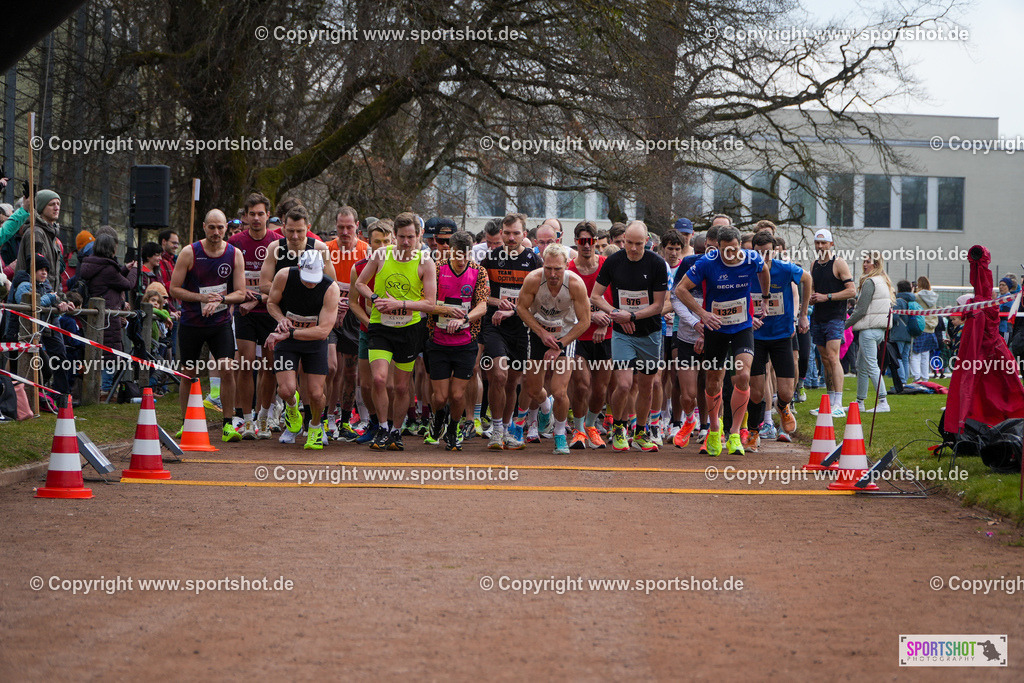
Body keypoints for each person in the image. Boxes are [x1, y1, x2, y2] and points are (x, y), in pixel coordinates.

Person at [675, 226, 770, 456]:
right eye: (725, 250)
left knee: (743, 375)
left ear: (740, 246)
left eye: (734, 249)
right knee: (713, 382)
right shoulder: (707, 262)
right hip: (715, 327)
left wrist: (765, 298)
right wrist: (703, 313)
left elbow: (764, 270)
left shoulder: (751, 258)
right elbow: (680, 290)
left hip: (742, 326)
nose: (730, 254)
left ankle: (735, 433)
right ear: (717, 247)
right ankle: (715, 429)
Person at [354, 212, 437, 451]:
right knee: (379, 379)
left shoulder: (425, 262)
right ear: (394, 236)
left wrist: (399, 304)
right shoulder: (381, 255)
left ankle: (396, 431)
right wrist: (374, 298)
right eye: (401, 237)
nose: (406, 242)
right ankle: (382, 426)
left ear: (419, 235)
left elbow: (430, 303)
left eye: (411, 237)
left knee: (401, 387)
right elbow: (360, 283)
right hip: (380, 326)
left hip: (409, 329)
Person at [169, 209, 247, 441]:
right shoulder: (189, 252)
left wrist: (220, 299)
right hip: (192, 322)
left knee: (227, 368)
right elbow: (174, 289)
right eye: (211, 227)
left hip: (220, 323)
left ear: (226, 228)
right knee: (188, 373)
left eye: (220, 227)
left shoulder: (234, 254)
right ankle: (186, 423)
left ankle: (228, 423)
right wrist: (202, 298)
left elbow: (241, 293)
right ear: (204, 227)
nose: (216, 232)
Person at [591, 221, 669, 452]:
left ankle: (641, 433)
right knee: (624, 385)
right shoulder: (614, 261)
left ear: (647, 241)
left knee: (647, 386)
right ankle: (618, 428)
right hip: (622, 333)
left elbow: (658, 305)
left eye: (638, 244)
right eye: (629, 243)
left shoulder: (656, 263)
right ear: (623, 239)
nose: (633, 248)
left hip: (650, 333)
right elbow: (595, 296)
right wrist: (616, 313)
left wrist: (632, 316)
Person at [517, 243, 591, 455]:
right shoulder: (533, 279)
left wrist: (560, 344)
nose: (552, 274)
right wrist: (541, 333)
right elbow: (521, 308)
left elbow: (585, 321)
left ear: (566, 266)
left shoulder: (575, 284)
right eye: (548, 268)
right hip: (539, 332)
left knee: (559, 391)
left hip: (565, 336)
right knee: (532, 388)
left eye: (557, 269)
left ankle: (559, 434)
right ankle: (545, 406)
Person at [265, 250, 340, 449]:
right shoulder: (283, 276)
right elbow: (271, 303)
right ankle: (291, 408)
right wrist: (281, 319)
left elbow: (323, 331)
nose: (311, 284)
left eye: (315, 279)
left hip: (313, 341)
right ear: (299, 268)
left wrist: (290, 333)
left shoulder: (331, 288)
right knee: (286, 389)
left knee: (316, 393)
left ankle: (315, 426)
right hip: (286, 338)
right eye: (307, 278)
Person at [479, 213, 542, 450]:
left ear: (524, 234)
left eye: (516, 233)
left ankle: (506, 429)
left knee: (512, 381)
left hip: (521, 327)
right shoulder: (490, 259)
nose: (511, 238)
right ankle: (496, 430)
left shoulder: (534, 261)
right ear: (501, 234)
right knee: (498, 374)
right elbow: (480, 295)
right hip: (494, 324)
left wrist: (514, 310)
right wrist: (497, 303)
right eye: (507, 233)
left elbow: (539, 299)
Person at [424, 230, 489, 451]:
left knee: (458, 394)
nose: (461, 261)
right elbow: (425, 302)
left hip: (465, 342)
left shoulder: (478, 271)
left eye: (466, 255)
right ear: (449, 251)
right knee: (441, 397)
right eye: (457, 255)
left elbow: (482, 305)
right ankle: (438, 416)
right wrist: (446, 311)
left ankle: (453, 429)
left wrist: (464, 319)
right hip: (438, 341)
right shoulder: (436, 269)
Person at [746, 230, 811, 449]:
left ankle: (782, 406)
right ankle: (753, 432)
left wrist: (803, 315)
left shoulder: (785, 269)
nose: (763, 257)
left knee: (786, 391)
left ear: (774, 251)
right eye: (759, 253)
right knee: (756, 392)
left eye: (767, 253)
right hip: (755, 337)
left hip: (782, 335)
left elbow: (808, 279)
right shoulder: (747, 269)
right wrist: (747, 319)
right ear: (752, 251)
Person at [228, 192, 283, 440]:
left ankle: (264, 415)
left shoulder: (278, 243)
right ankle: (247, 420)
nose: (257, 218)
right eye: (252, 214)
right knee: (246, 364)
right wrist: (240, 298)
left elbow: (281, 285)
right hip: (244, 312)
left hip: (270, 311)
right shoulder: (235, 242)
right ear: (245, 217)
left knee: (269, 367)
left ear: (268, 215)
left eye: (261, 214)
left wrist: (258, 299)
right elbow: (229, 279)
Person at [566, 221, 613, 449]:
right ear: (576, 242)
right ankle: (578, 430)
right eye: (582, 241)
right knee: (582, 385)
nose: (587, 245)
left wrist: (606, 321)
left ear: (596, 242)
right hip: (579, 335)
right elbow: (564, 304)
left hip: (606, 334)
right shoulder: (568, 270)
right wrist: (591, 317)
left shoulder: (607, 265)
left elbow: (618, 299)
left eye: (591, 241)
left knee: (600, 389)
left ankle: (591, 426)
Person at [325, 207, 369, 440]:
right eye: (340, 227)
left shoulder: (366, 250)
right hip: (329, 312)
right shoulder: (326, 249)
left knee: (351, 372)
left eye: (349, 227)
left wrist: (353, 306)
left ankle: (344, 421)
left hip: (354, 314)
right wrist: (334, 304)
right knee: (331, 367)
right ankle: (326, 418)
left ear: (357, 226)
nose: (344, 232)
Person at [349, 220, 394, 445]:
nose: (383, 246)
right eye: (377, 242)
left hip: (395, 331)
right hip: (369, 330)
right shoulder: (359, 268)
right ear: (368, 241)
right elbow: (353, 302)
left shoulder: (403, 266)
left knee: (390, 384)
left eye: (387, 241)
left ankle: (392, 426)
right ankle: (375, 423)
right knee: (366, 384)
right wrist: (369, 322)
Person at [78, 233, 134, 398]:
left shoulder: (92, 264)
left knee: (100, 353)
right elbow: (127, 284)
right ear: (111, 249)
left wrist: (125, 269)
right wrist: (135, 270)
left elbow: (110, 279)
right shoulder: (109, 268)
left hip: (97, 315)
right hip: (108, 317)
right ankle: (104, 390)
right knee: (110, 354)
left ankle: (100, 389)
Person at [808, 229, 856, 418]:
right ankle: (828, 402)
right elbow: (814, 289)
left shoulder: (839, 263)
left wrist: (827, 297)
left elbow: (851, 291)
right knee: (825, 359)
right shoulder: (814, 264)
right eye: (817, 243)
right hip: (818, 317)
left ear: (831, 244)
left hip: (835, 316)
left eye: (823, 243)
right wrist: (811, 298)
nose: (820, 246)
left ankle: (838, 403)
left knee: (833, 357)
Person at [845, 252, 894, 413]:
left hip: (869, 330)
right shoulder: (883, 281)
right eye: (864, 261)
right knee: (862, 366)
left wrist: (844, 325)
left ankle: (883, 401)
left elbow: (860, 310)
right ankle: (860, 402)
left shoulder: (870, 282)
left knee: (871, 366)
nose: (865, 264)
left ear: (876, 264)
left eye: (868, 262)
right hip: (878, 330)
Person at [912, 276, 939, 381]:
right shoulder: (934, 296)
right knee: (925, 355)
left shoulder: (917, 296)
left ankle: (916, 377)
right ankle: (925, 377)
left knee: (915, 354)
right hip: (931, 328)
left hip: (921, 326)